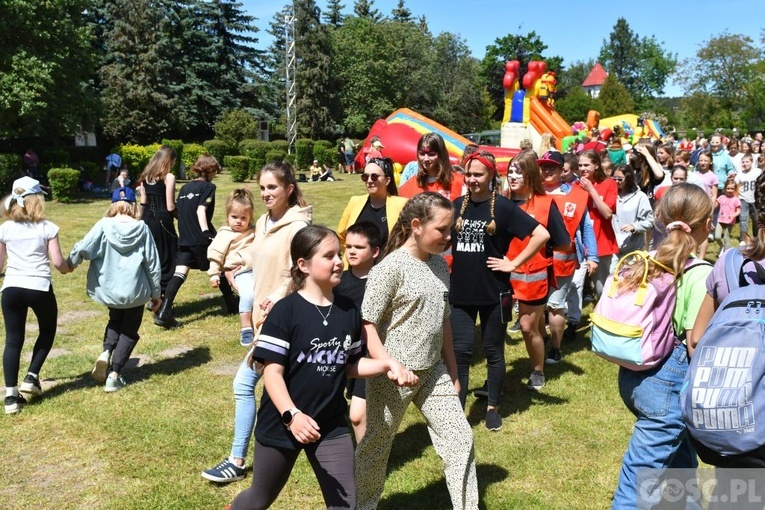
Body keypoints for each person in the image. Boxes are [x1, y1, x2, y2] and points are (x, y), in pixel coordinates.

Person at [227, 226, 416, 510]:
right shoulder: (286, 311)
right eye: (329, 256)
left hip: (330, 424)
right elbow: (272, 374)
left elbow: (349, 364)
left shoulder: (348, 310)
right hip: (283, 423)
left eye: (338, 254)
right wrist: (293, 416)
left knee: (345, 505)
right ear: (303, 265)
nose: (339, 261)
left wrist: (387, 364)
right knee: (259, 499)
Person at [354, 192, 479, 510]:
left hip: (433, 371)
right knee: (376, 446)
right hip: (392, 377)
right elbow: (368, 326)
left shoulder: (440, 265)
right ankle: (361, 506)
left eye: (451, 230)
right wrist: (388, 365)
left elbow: (444, 320)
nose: (449, 237)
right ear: (416, 226)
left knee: (460, 438)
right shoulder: (390, 269)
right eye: (443, 230)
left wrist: (452, 370)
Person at [202, 161, 312, 484]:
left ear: (289, 189)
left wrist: (276, 298)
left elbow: (298, 270)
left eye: (272, 188)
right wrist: (235, 268)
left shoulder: (297, 227)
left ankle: (237, 459)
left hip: (283, 318)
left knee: (244, 383)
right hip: (266, 318)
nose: (265, 193)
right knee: (293, 387)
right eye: (262, 187)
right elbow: (256, 255)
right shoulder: (263, 221)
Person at [612, 183, 714, 509]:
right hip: (668, 385)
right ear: (705, 225)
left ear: (660, 217)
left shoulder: (647, 260)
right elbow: (694, 342)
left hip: (633, 374)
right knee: (639, 481)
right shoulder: (701, 275)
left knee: (680, 463)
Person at [451, 150, 547, 423]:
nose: (471, 179)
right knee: (461, 352)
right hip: (461, 293)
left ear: (491, 175)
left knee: (493, 350)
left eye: (477, 174)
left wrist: (513, 263)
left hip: (494, 293)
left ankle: (492, 407)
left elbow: (541, 234)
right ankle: (458, 414)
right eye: (468, 174)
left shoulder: (504, 208)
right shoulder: (457, 205)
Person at [67, 187, 161, 392]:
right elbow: (152, 264)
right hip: (135, 292)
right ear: (133, 205)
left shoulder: (103, 225)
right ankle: (114, 374)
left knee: (115, 321)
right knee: (129, 330)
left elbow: (84, 247)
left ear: (113, 205)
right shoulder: (142, 228)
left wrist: (71, 262)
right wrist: (156, 295)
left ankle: (106, 352)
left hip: (110, 290)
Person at [1, 177, 71, 414]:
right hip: (39, 287)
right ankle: (32, 375)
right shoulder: (47, 227)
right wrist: (68, 267)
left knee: (13, 340)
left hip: (11, 288)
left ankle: (10, 396)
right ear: (37, 200)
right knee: (47, 330)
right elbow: (59, 262)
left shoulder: (5, 228)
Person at [504, 150, 569, 378]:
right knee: (496, 330)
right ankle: (496, 375)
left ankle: (538, 371)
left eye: (518, 172)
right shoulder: (501, 203)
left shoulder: (544, 204)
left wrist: (538, 252)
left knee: (527, 328)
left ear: (530, 175)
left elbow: (563, 242)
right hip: (501, 277)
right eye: (510, 171)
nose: (512, 176)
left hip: (532, 279)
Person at [154, 154, 236, 328]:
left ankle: (164, 312)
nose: (215, 174)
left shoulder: (185, 188)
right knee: (218, 266)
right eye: (215, 171)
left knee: (179, 274)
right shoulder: (208, 187)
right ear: (210, 170)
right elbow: (201, 211)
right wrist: (207, 233)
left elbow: (176, 210)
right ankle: (232, 305)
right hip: (200, 237)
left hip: (184, 239)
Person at [539, 151, 599, 352]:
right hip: (534, 262)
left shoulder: (576, 195)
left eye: (551, 167)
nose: (546, 170)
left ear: (561, 170)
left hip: (562, 262)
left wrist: (592, 257)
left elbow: (586, 227)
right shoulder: (532, 192)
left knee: (556, 304)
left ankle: (555, 348)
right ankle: (542, 339)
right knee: (537, 306)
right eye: (543, 166)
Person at [335, 221, 383, 444]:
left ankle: (365, 465)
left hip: (371, 356)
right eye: (349, 246)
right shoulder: (338, 281)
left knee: (357, 415)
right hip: (341, 353)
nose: (351, 251)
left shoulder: (383, 282)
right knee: (345, 409)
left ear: (375, 251)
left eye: (359, 247)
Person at [207, 189, 257, 346]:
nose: (238, 221)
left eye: (243, 218)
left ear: (250, 218)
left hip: (258, 269)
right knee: (247, 295)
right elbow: (216, 255)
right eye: (234, 217)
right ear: (227, 216)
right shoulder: (224, 234)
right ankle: (246, 327)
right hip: (241, 271)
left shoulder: (253, 231)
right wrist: (214, 275)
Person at [337, 157, 407, 255]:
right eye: (365, 177)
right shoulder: (355, 202)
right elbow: (341, 235)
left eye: (374, 176)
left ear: (387, 180)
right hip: (356, 268)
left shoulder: (402, 205)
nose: (369, 181)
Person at [137, 146, 178, 298]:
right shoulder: (168, 177)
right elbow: (170, 206)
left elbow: (143, 202)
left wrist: (140, 220)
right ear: (170, 160)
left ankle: (152, 294)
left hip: (148, 219)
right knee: (169, 257)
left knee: (152, 257)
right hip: (162, 221)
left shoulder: (147, 176)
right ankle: (163, 295)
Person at [578, 150, 619, 297]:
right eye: (580, 165)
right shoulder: (576, 186)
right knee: (575, 286)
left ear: (596, 165)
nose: (582, 168)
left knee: (603, 288)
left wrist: (591, 190)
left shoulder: (609, 184)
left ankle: (606, 315)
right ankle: (573, 318)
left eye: (586, 165)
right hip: (580, 243)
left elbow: (607, 213)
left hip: (601, 241)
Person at [398, 133, 465, 200]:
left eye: (431, 154)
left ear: (441, 155)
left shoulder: (460, 183)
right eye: (422, 154)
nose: (426, 159)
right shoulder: (408, 187)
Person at [612, 164, 653, 259]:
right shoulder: (611, 194)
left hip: (633, 249)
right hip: (613, 248)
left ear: (628, 178)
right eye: (614, 179)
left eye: (620, 179)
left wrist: (634, 226)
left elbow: (649, 222)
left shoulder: (640, 197)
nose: (616, 182)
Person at [735, 153, 761, 243]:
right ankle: (743, 238)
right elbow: (735, 185)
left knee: (756, 219)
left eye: (747, 162)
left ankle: (756, 236)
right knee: (743, 218)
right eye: (743, 162)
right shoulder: (740, 174)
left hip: (755, 199)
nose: (745, 164)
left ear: (752, 162)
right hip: (743, 199)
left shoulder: (758, 172)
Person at [715, 178, 741, 251]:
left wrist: (733, 215)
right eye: (728, 188)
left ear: (735, 189)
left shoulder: (736, 199)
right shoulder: (721, 197)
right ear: (725, 188)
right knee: (717, 236)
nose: (730, 190)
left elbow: (739, 210)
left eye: (732, 189)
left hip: (730, 221)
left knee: (726, 237)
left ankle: (727, 252)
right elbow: (715, 205)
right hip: (720, 220)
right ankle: (721, 245)